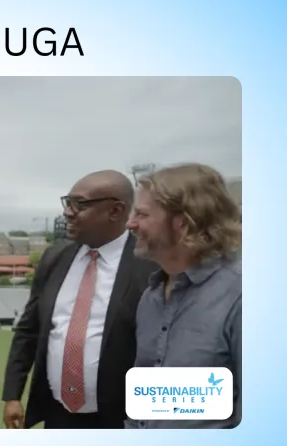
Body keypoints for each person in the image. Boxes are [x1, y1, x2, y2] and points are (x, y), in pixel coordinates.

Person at [2, 170, 159, 429]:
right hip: (57, 415)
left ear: (116, 211)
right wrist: (12, 394)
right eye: (68, 202)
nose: (68, 212)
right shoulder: (55, 257)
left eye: (80, 204)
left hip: (122, 421)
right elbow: (28, 331)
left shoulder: (151, 265)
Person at [125, 163, 241, 429]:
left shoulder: (242, 297)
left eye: (142, 214)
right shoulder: (151, 297)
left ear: (183, 224)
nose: (131, 224)